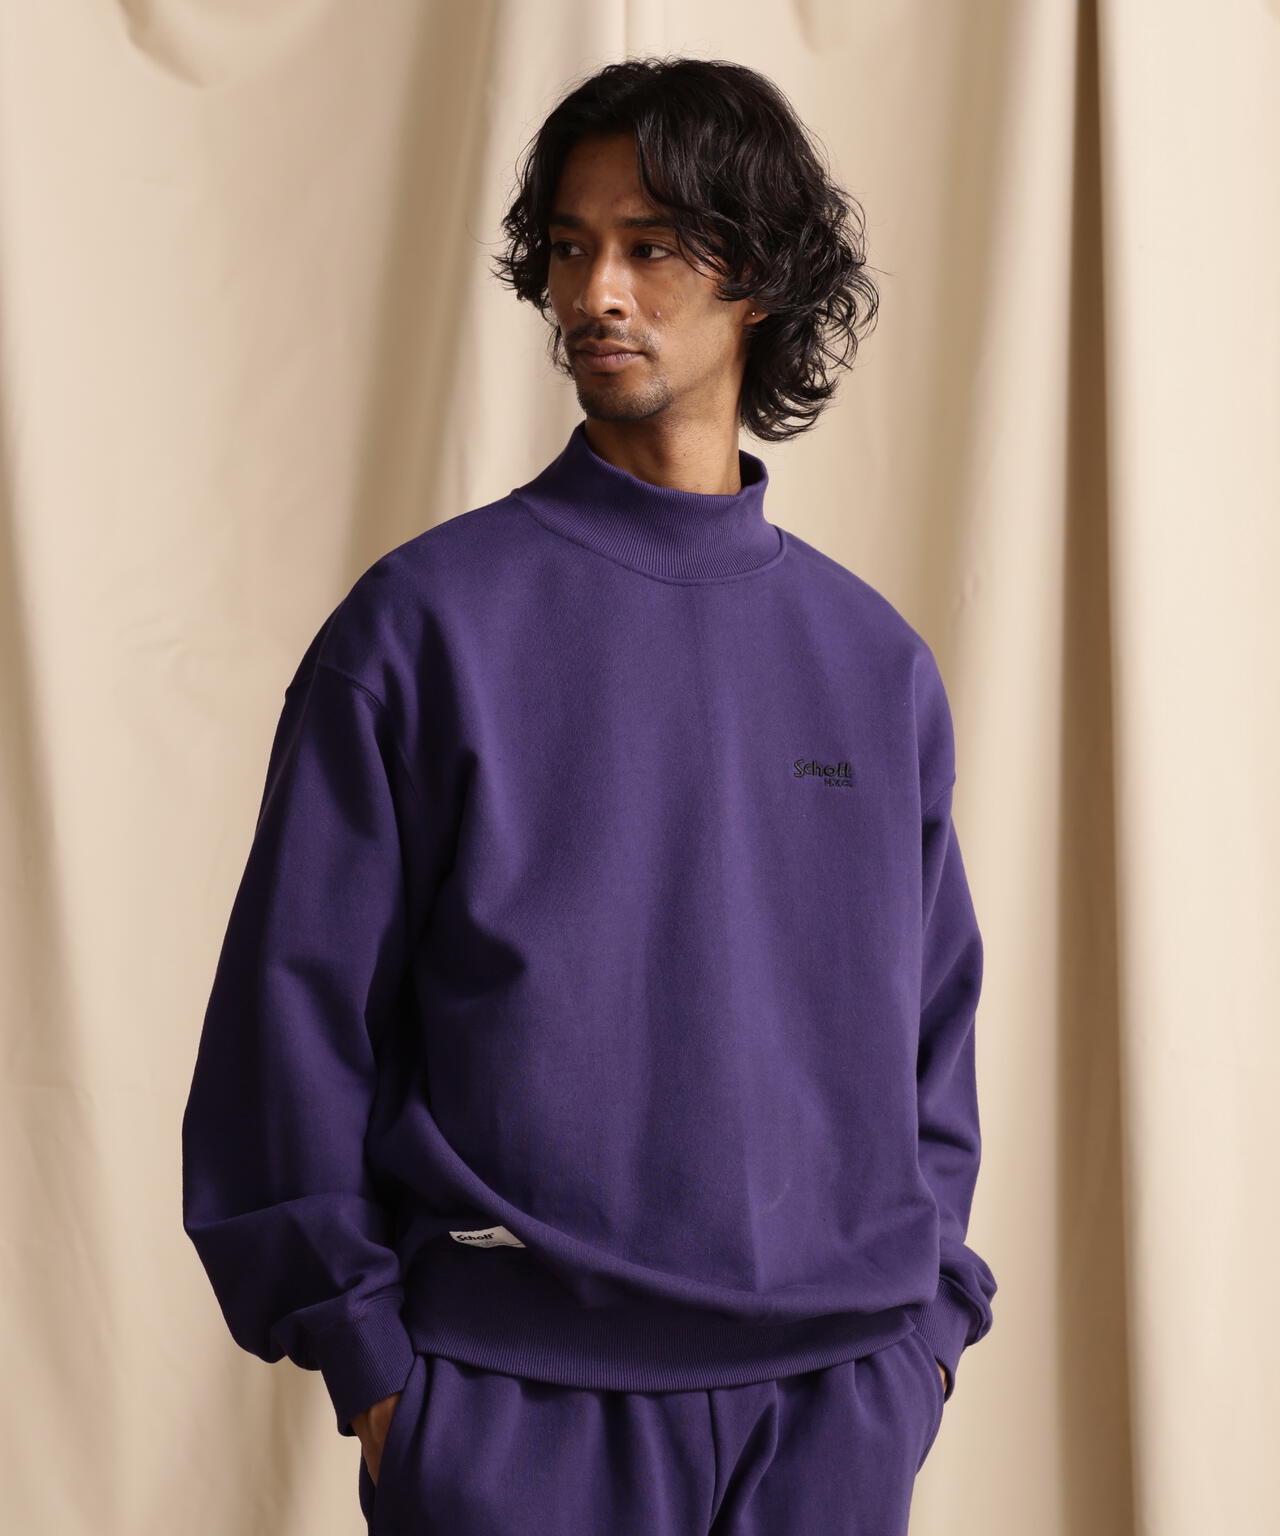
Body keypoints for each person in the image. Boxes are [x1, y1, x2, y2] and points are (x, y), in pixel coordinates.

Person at [182, 55, 996, 1535]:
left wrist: (923, 1336)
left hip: (834, 1415)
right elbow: (284, 1029)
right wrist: (377, 1371)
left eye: (651, 246)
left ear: (760, 277)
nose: (595, 293)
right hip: (513, 1415)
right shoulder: (423, 627)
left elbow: (931, 1037)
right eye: (570, 247)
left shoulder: (874, 664)